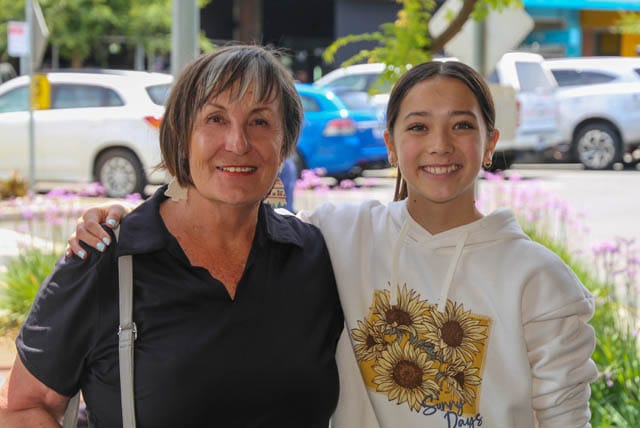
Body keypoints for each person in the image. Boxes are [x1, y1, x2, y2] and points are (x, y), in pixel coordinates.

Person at [64, 60, 598, 427]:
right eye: (417, 127)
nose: (439, 145)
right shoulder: (341, 233)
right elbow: (231, 215)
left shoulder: (540, 280)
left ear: (490, 143)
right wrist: (126, 221)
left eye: (461, 125)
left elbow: (565, 418)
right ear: (391, 145)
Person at [0, 45, 343, 427]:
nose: (237, 142)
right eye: (215, 118)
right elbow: (24, 407)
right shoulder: (109, 259)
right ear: (181, 137)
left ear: (285, 143)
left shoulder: (312, 256)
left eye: (260, 121)